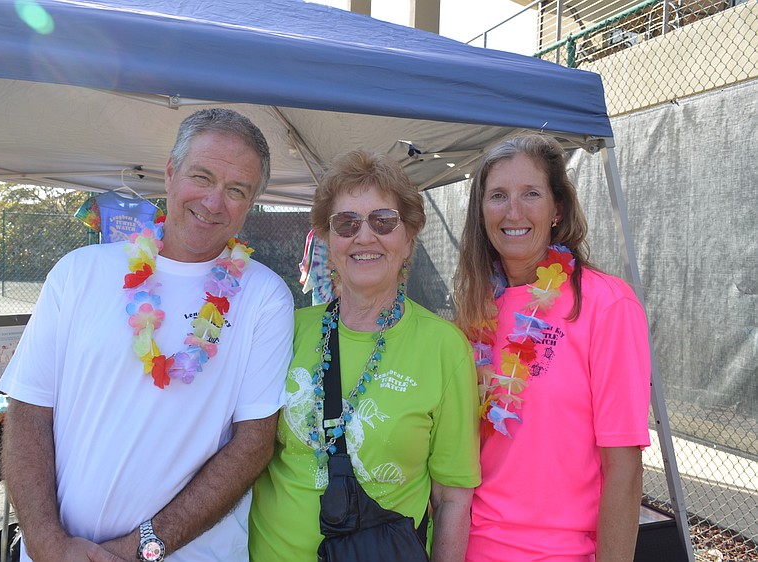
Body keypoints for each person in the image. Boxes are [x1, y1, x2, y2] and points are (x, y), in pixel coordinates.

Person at [0, 108, 294, 562]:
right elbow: (30, 412)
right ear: (171, 172)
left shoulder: (265, 297)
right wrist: (44, 543)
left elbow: (252, 443)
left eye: (236, 190)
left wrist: (139, 550)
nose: (214, 202)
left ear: (251, 201)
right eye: (202, 176)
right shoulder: (79, 272)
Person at [249, 150, 480, 561]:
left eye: (384, 221)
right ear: (328, 240)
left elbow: (452, 498)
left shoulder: (444, 347)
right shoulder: (288, 328)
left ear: (408, 239)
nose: (364, 236)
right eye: (347, 223)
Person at [453, 134, 651, 561]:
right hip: (470, 548)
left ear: (557, 208)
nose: (513, 212)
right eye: (498, 196)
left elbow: (624, 468)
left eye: (531, 194)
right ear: (481, 210)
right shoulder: (473, 312)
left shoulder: (605, 304)